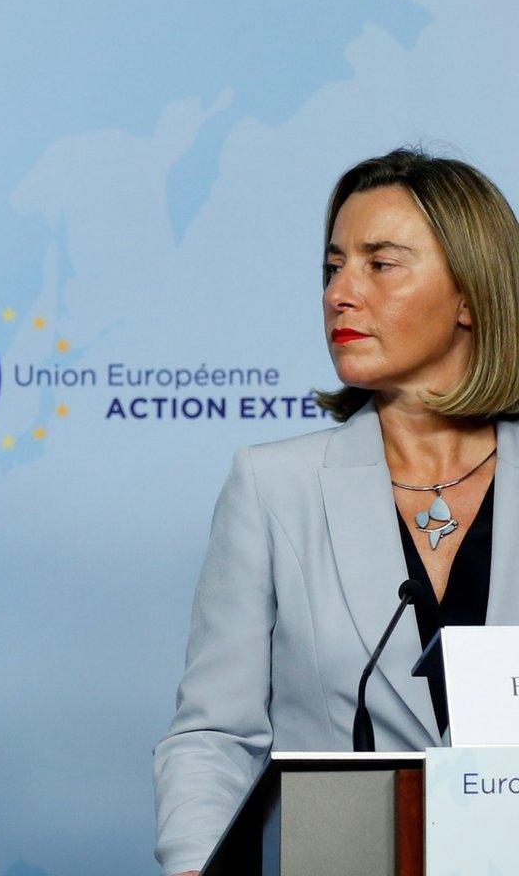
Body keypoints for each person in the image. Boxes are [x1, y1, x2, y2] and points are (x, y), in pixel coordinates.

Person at [153, 148, 519, 873]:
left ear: (471, 295)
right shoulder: (273, 486)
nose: (339, 294)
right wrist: (196, 865)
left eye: (379, 264)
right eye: (332, 268)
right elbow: (214, 737)